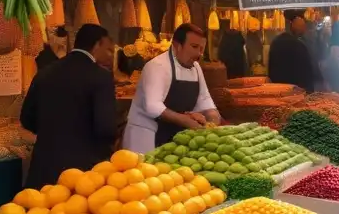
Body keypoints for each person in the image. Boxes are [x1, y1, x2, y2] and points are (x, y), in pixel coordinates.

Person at [20, 24, 117, 188]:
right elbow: (105, 128)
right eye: (108, 50)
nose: (110, 56)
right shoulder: (101, 78)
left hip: (44, 166)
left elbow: (26, 119)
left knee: (40, 212)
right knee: (74, 213)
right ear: (98, 44)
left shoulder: (45, 72)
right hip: (83, 170)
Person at [122, 23, 220, 154]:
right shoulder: (157, 66)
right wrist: (185, 120)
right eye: (194, 47)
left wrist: (212, 120)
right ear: (177, 46)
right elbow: (152, 106)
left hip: (175, 136)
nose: (199, 54)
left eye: (202, 49)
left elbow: (204, 99)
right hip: (147, 136)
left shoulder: (196, 68)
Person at [268, 10, 317, 92]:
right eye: (302, 26)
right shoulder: (299, 45)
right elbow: (307, 71)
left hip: (279, 90)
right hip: (297, 91)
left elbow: (271, 69)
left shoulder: (275, 42)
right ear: (294, 26)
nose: (304, 29)